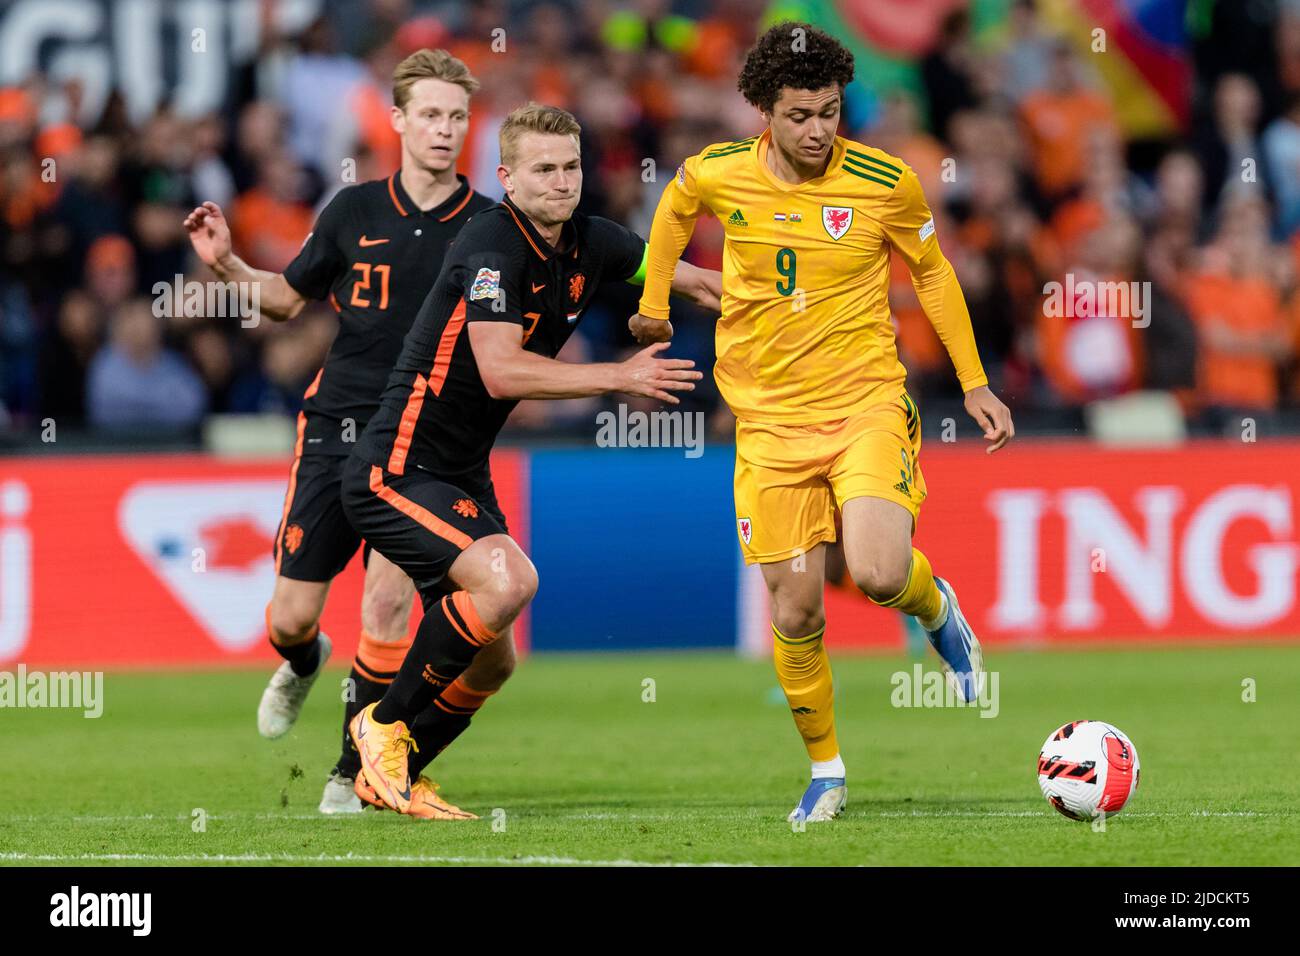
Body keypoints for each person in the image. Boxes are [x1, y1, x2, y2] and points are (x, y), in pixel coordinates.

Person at [630, 22, 1015, 823]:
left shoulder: (886, 181)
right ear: (765, 110)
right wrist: (652, 301)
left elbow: (934, 274)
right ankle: (827, 770)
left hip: (864, 401)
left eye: (830, 113)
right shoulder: (721, 172)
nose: (817, 131)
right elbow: (672, 211)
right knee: (797, 608)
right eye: (800, 115)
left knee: (876, 572)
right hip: (766, 423)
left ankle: (934, 606)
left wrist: (975, 383)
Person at [341, 103, 721, 816]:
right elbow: (499, 371)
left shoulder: (592, 243)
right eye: (543, 169)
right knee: (510, 579)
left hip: (459, 468)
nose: (561, 181)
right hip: (396, 464)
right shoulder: (493, 249)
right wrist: (620, 374)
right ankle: (382, 725)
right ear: (508, 176)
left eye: (571, 166)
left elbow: (692, 281)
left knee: (494, 658)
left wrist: (797, 307)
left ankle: (386, 772)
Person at [183, 49, 505, 817]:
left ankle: (345, 773)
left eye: (456, 116)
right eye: (429, 114)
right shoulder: (352, 211)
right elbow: (287, 304)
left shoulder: (491, 227)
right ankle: (302, 663)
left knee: (388, 611)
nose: (444, 129)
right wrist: (228, 264)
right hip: (337, 426)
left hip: (420, 441)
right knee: (291, 617)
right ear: (395, 120)